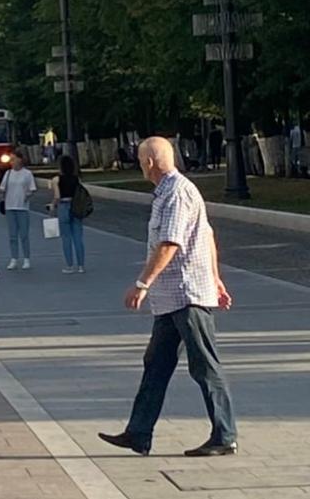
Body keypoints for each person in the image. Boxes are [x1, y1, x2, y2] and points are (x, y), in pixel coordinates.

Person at [99, 136, 237, 457]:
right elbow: (207, 235)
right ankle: (138, 433)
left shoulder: (176, 192)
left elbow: (169, 243)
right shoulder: (169, 192)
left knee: (204, 365)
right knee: (156, 363)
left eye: (140, 160)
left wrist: (142, 283)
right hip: (172, 298)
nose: (139, 165)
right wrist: (216, 278)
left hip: (186, 294)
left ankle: (225, 434)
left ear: (149, 162)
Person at [49, 154, 86, 272]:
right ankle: (81, 266)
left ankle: (69, 265)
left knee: (66, 237)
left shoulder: (56, 179)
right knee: (78, 237)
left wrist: (52, 205)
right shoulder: (76, 179)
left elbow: (57, 196)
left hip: (64, 207)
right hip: (76, 207)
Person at [0, 151, 36, 270]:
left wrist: (27, 196)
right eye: (11, 160)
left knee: (24, 234)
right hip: (10, 207)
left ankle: (26, 258)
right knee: (12, 235)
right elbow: (2, 188)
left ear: (20, 160)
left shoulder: (27, 174)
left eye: (13, 159)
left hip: (22, 207)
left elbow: (32, 189)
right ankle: (14, 258)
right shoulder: (8, 173)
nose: (11, 162)